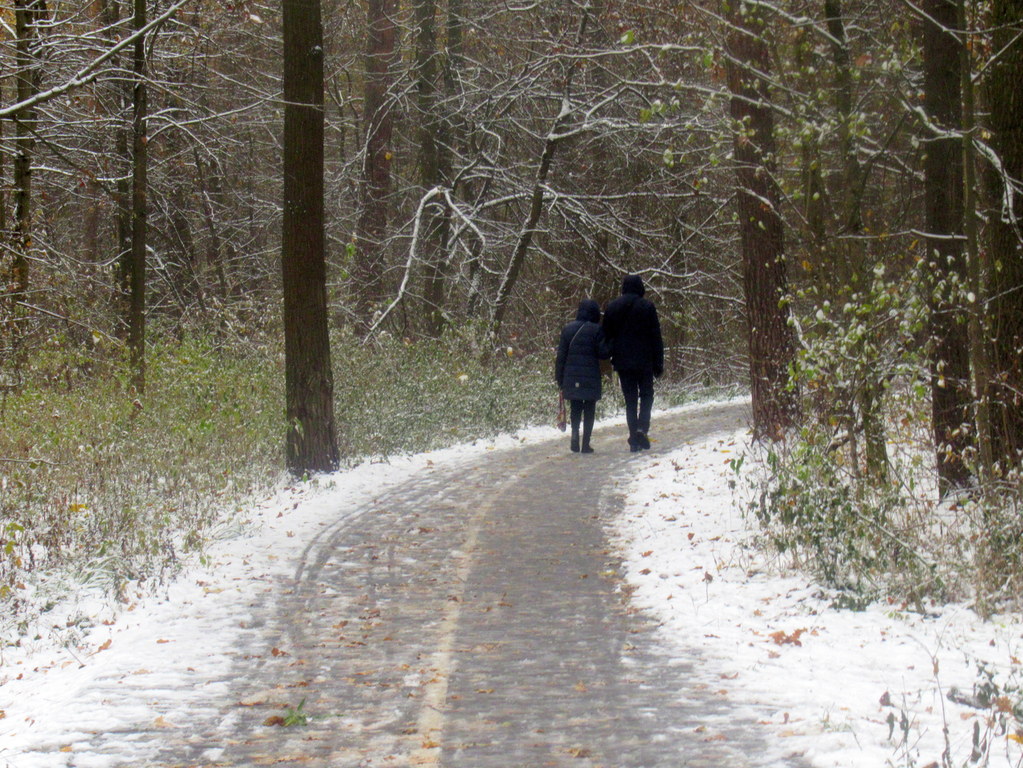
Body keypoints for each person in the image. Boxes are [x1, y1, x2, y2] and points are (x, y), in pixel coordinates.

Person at [602, 274, 664, 452]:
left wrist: (612, 353)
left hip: (623, 361)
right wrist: (658, 362)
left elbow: (606, 335)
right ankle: (642, 428)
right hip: (645, 359)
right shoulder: (647, 307)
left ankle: (634, 438)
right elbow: (656, 336)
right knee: (646, 395)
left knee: (630, 399)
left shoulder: (612, 307)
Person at [555, 299, 609, 453]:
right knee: (590, 409)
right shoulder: (596, 330)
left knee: (576, 407)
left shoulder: (567, 329)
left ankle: (574, 437)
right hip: (591, 376)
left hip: (572, 376)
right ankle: (586, 444)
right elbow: (603, 353)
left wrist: (560, 378)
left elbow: (561, 357)